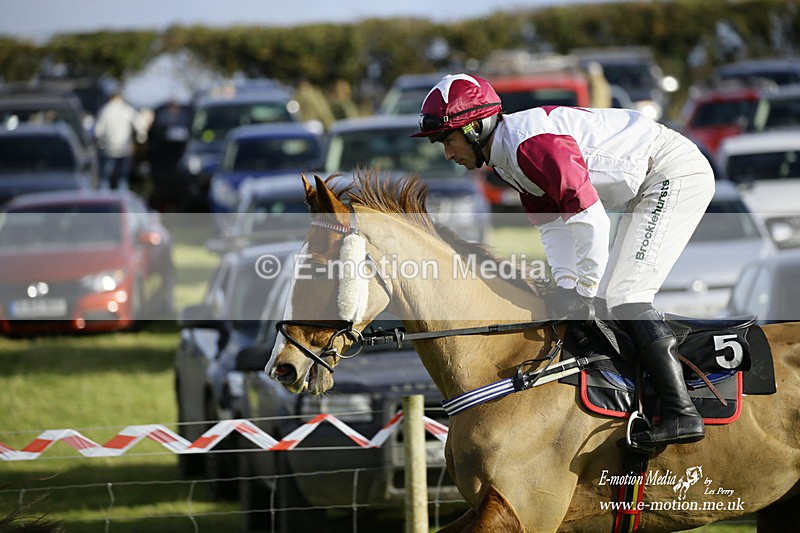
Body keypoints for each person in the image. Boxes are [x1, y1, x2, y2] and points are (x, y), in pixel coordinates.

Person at [411, 73, 715, 448]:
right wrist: (567, 286)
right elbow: (553, 228)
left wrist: (583, 290)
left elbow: (589, 217)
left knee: (624, 296)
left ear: (475, 127)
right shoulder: (507, 158)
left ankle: (682, 412)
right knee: (607, 300)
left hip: (673, 173)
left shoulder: (529, 145)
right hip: (646, 184)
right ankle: (643, 398)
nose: (447, 153)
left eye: (448, 139)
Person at [94, 92, 139, 190]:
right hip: (124, 148)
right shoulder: (127, 110)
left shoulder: (105, 110)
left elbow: (98, 131)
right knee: (123, 177)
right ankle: (122, 199)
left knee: (105, 177)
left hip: (108, 148)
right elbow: (139, 125)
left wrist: (100, 143)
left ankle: (104, 199)